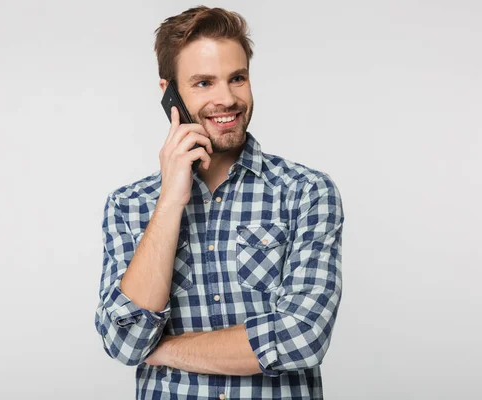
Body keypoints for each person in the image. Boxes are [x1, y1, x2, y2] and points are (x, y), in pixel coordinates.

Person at [94, 5, 344, 399]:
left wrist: (163, 350)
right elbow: (124, 342)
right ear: (170, 93)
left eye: (237, 78)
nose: (227, 99)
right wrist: (171, 200)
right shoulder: (129, 206)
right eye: (203, 83)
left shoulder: (306, 192)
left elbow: (302, 337)